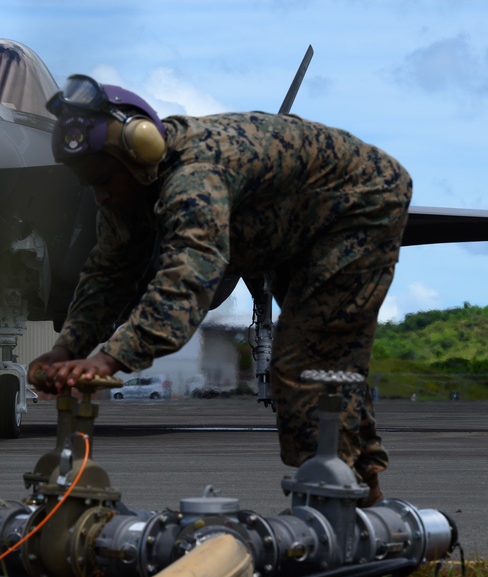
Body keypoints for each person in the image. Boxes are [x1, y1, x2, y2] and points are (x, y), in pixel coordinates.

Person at [28, 75, 412, 507]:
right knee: (326, 364)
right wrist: (65, 350)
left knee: (307, 366)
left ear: (140, 151)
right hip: (291, 224)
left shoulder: (196, 179)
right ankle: (367, 501)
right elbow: (108, 275)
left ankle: (343, 516)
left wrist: (106, 358)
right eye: (88, 185)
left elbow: (184, 283)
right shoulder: (128, 191)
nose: (101, 196)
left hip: (359, 204)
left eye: (103, 180)